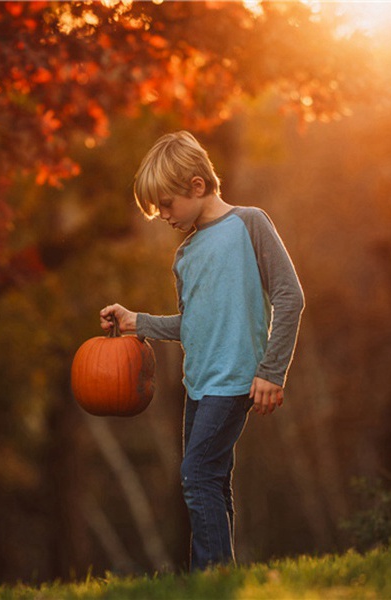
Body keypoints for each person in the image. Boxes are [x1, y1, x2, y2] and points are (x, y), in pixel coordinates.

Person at [99, 130, 304, 571]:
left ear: (196, 185)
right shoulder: (186, 254)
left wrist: (271, 371)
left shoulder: (250, 224)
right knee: (211, 479)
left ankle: (211, 577)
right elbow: (194, 326)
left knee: (195, 476)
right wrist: (139, 322)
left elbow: (290, 296)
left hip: (234, 381)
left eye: (167, 205)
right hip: (198, 386)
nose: (163, 216)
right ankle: (217, 576)